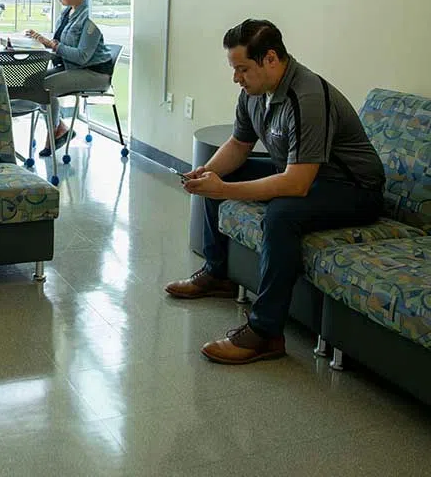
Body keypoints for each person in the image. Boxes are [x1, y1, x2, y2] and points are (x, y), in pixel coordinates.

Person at [165, 19, 386, 365]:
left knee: (282, 215)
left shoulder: (308, 97)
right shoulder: (254, 93)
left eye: (242, 69)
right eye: (234, 69)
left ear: (270, 59)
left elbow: (297, 185)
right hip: (302, 174)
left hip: (353, 189)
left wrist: (226, 188)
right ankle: (217, 273)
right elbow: (239, 144)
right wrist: (210, 174)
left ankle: (266, 333)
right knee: (217, 175)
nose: (236, 77)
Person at [25, 0, 114, 156]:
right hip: (70, 67)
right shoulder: (68, 12)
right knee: (31, 81)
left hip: (93, 73)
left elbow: (82, 56)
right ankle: (59, 128)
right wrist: (41, 39)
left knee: (45, 87)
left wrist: (53, 45)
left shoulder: (90, 16)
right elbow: (60, 42)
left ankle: (54, 131)